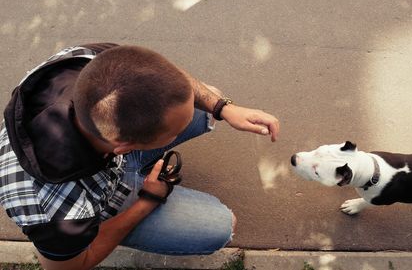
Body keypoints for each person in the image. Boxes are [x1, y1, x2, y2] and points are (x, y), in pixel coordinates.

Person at [0, 43, 279, 270]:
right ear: (125, 145)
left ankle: (145, 163)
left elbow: (168, 77)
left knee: (203, 101)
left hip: (104, 159)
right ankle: (138, 190)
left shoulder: (89, 62)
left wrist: (223, 107)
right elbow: (70, 266)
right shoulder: (55, 213)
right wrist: (147, 202)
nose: (181, 130)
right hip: (94, 200)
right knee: (221, 226)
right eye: (173, 133)